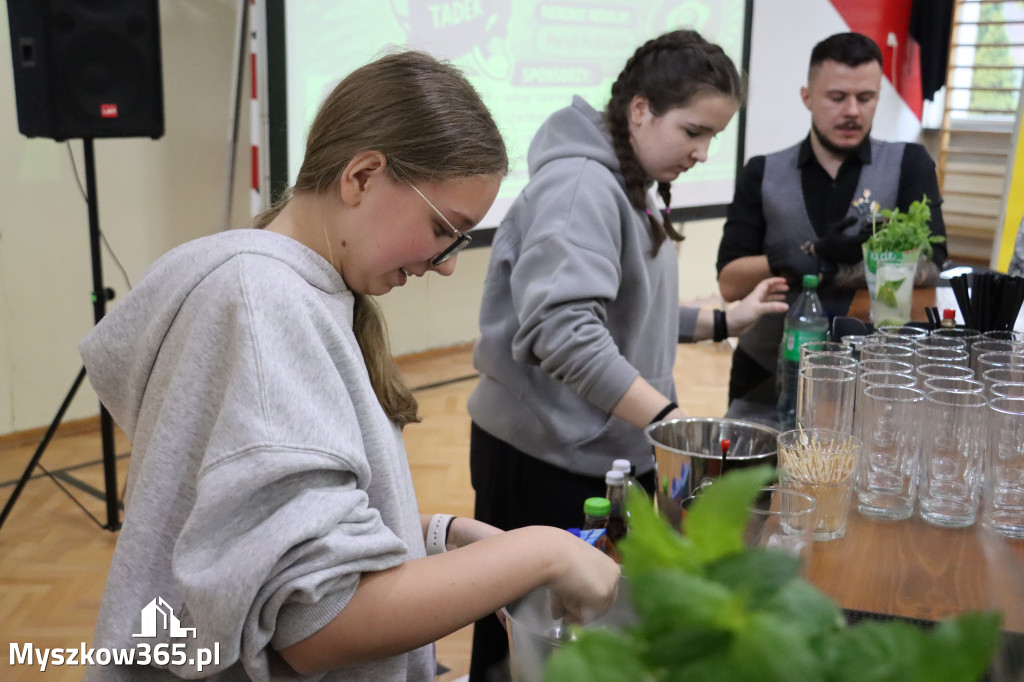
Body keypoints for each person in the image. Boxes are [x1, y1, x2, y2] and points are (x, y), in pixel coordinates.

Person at [77, 51, 621, 682]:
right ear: (362, 176)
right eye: (445, 227)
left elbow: (267, 532)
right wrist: (543, 553)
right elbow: (317, 626)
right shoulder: (263, 306)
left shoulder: (283, 291)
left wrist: (441, 538)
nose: (446, 263)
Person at [465, 30, 789, 681]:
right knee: (526, 644)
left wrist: (726, 318)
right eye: (693, 131)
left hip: (595, 448)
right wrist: (670, 426)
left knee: (591, 636)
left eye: (712, 140)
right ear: (640, 109)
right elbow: (563, 332)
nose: (700, 153)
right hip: (542, 458)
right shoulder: (582, 185)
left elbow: (618, 315)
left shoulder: (628, 181)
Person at [716, 32, 948, 421]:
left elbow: (931, 265)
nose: (853, 111)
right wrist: (780, 260)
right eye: (837, 98)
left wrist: (825, 266)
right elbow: (729, 282)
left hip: (873, 374)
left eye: (866, 98)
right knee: (751, 481)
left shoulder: (909, 164)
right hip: (766, 371)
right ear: (807, 96)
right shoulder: (763, 172)